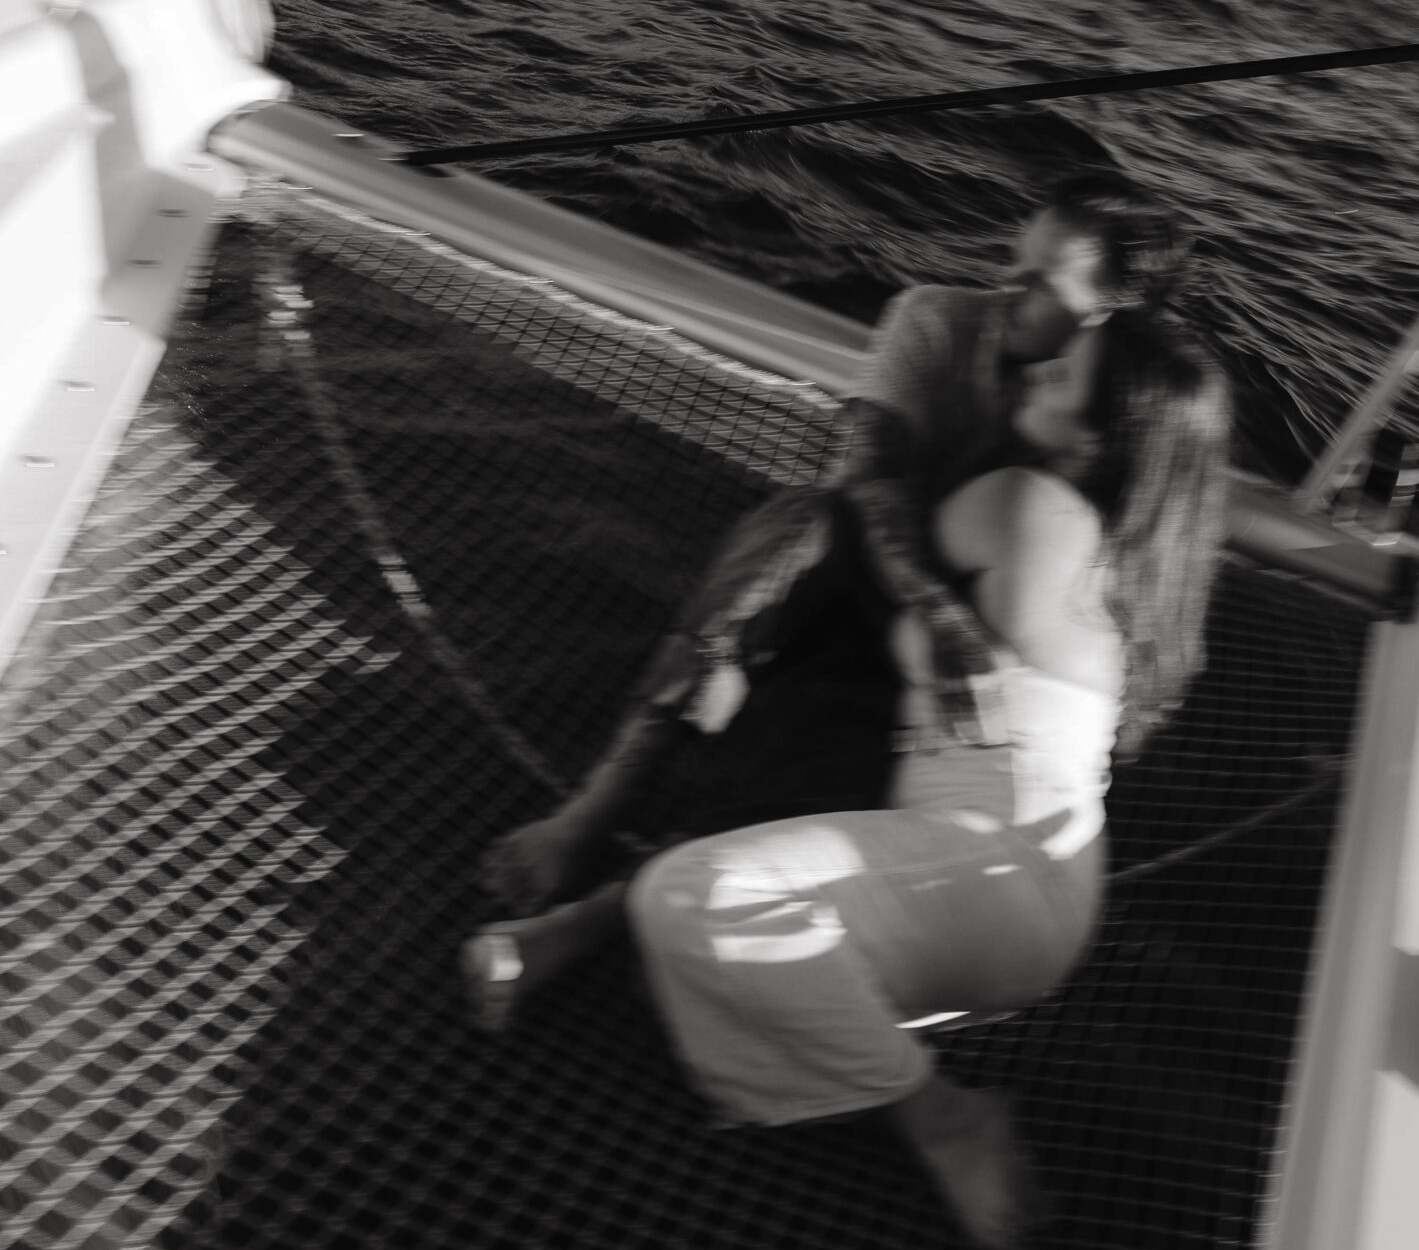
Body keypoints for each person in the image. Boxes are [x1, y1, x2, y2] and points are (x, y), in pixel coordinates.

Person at [465, 304, 1232, 1250]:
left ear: (1097, 436)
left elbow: (863, 510)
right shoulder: (1133, 566)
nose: (1033, 371)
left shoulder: (1028, 505)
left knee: (698, 896)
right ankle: (837, 1033)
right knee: (742, 905)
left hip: (988, 870)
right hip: (1003, 902)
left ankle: (942, 1116)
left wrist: (746, 642)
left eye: (1062, 375)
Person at [477, 173, 1192, 919]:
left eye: (1040, 284)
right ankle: (601, 801)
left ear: (1115, 317)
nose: (1004, 288)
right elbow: (866, 479)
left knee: (853, 767)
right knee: (805, 518)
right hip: (865, 580)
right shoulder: (934, 319)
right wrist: (933, 605)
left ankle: (618, 907)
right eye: (1013, 261)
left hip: (953, 668)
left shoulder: (1133, 438)